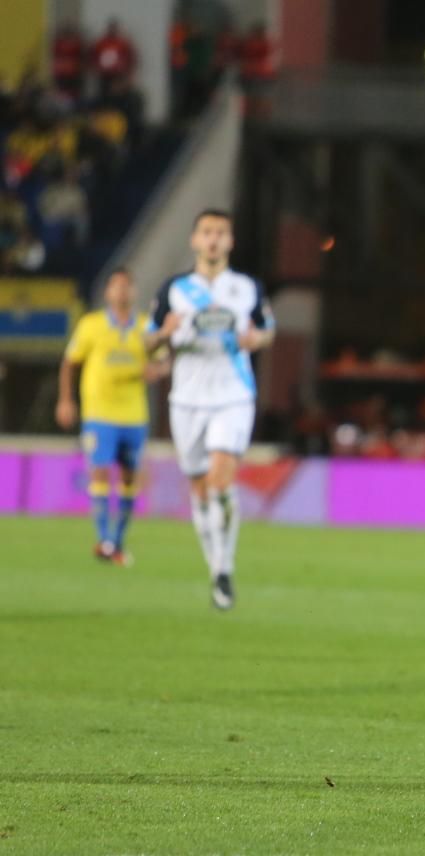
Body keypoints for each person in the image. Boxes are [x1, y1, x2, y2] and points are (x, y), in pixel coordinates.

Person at [144, 210, 275, 610]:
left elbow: (266, 331)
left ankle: (225, 567)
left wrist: (255, 340)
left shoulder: (246, 287)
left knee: (221, 479)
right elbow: (149, 341)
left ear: (230, 241)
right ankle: (213, 562)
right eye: (206, 232)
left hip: (233, 394)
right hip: (186, 400)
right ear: (194, 240)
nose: (213, 239)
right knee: (199, 490)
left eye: (220, 233)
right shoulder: (174, 289)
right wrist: (164, 335)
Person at [56, 268, 168, 565]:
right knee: (101, 471)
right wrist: (66, 400)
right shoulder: (91, 325)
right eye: (116, 286)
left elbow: (163, 362)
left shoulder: (145, 327)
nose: (121, 292)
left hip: (134, 415)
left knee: (130, 477)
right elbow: (70, 362)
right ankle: (104, 539)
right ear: (107, 292)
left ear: (133, 292)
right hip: (99, 413)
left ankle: (117, 540)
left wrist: (156, 370)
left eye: (126, 286)